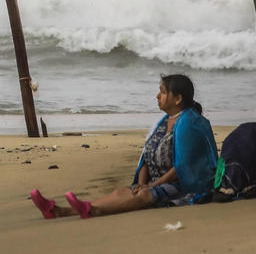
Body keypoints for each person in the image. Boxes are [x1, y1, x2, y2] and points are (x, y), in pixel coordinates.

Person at [29, 74, 217, 219]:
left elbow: (183, 167)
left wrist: (152, 185)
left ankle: (91, 210)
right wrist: (141, 183)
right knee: (123, 192)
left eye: (163, 92)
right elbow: (146, 157)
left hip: (185, 185)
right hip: (156, 182)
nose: (157, 96)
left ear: (177, 99)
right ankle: (61, 211)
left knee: (144, 196)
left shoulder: (191, 123)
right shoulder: (162, 122)